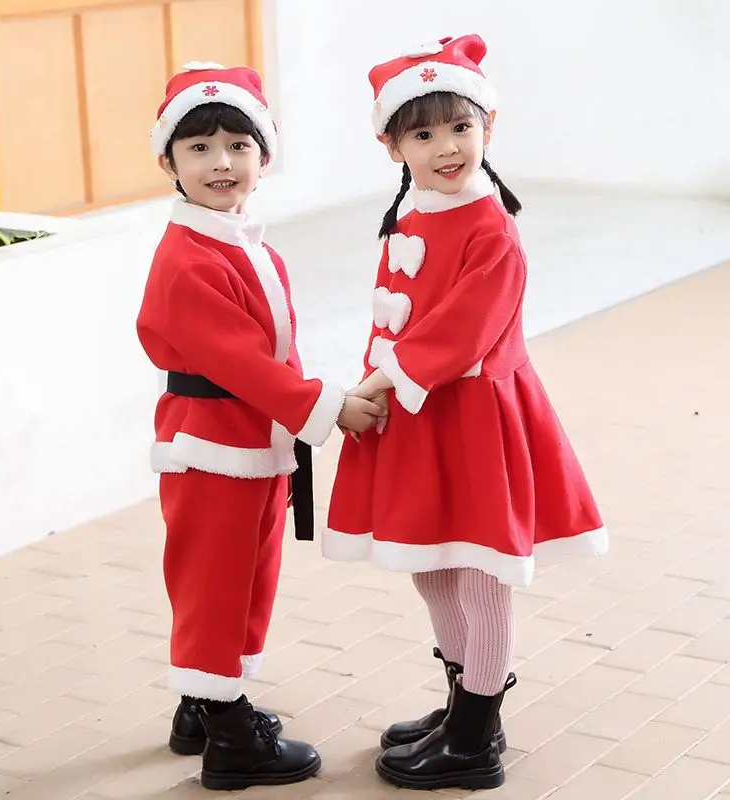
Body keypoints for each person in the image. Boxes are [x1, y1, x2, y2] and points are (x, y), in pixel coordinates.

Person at [323, 35, 608, 791]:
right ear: (392, 146)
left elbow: (461, 332)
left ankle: (477, 736)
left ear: (488, 127)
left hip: (473, 417)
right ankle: (462, 699)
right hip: (421, 416)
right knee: (432, 567)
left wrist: (376, 389)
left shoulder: (491, 228)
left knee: (479, 572)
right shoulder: (412, 212)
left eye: (460, 127)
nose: (446, 147)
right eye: (422, 133)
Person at [136, 61, 386, 791]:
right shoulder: (188, 258)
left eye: (238, 146)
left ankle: (202, 703)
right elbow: (241, 361)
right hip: (213, 447)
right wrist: (327, 404)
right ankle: (231, 738)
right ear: (168, 163)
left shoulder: (244, 242)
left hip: (250, 443)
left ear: (263, 156)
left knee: (248, 578)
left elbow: (272, 350)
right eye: (200, 147)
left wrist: (298, 413)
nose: (221, 162)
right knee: (217, 585)